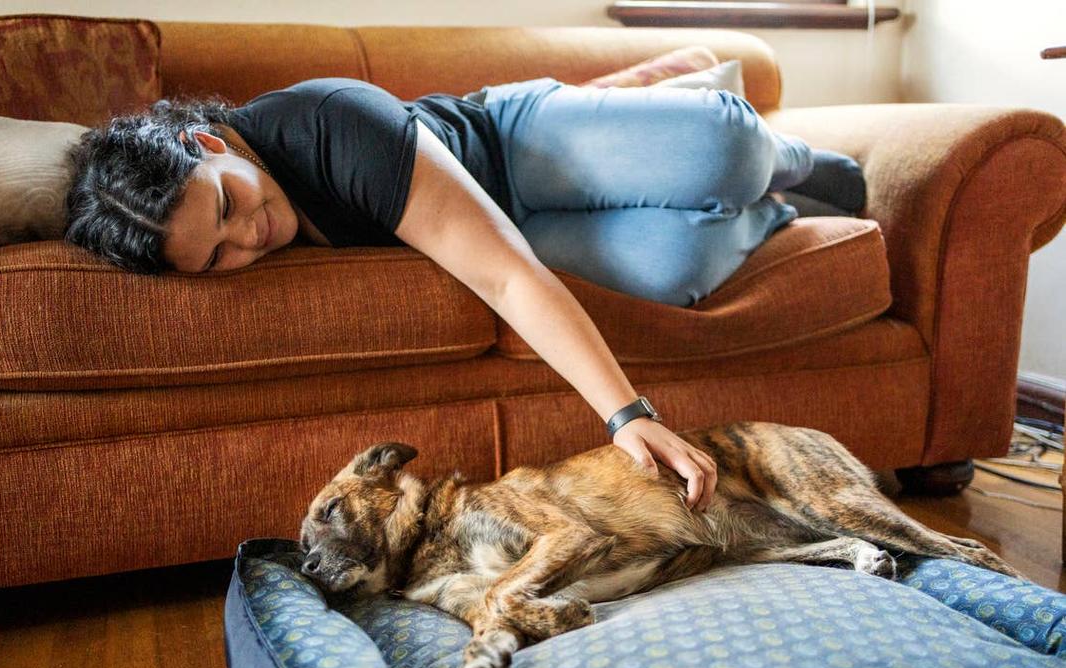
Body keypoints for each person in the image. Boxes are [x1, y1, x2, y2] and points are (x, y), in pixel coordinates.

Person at [65, 76, 867, 512]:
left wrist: (629, 417)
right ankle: (771, 212)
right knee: (673, 273)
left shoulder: (330, 124)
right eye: (215, 260)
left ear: (207, 143)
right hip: (514, 231)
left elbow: (505, 275)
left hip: (512, 149)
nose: (250, 237)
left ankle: (785, 158)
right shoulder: (207, 222)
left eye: (230, 204)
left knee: (718, 149)